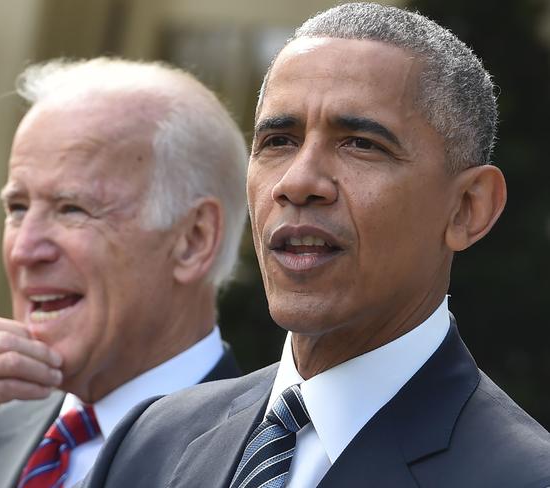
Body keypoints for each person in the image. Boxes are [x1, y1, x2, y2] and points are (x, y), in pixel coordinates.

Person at [79, 4, 550, 488]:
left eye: (361, 144)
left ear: (468, 208)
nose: (298, 181)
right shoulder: (149, 443)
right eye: (279, 140)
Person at [0, 58, 249, 488]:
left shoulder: (264, 460)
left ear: (193, 240)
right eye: (17, 208)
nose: (26, 249)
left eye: (72, 209)